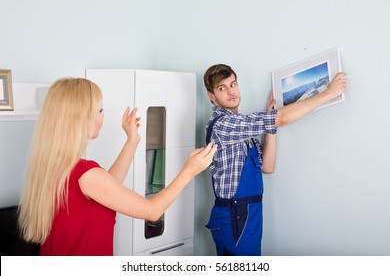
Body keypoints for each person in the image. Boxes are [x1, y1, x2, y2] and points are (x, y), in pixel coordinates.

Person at [17, 77, 217, 256]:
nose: (102, 116)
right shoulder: (84, 173)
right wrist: (189, 170)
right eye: (100, 110)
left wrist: (132, 140)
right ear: (81, 117)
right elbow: (152, 211)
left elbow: (107, 188)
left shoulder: (52, 166)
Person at [203, 64, 347, 256]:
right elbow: (282, 118)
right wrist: (328, 93)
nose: (231, 92)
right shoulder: (224, 125)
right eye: (222, 88)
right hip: (233, 217)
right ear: (211, 96)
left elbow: (268, 166)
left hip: (250, 214)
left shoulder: (243, 128)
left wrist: (271, 127)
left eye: (233, 84)